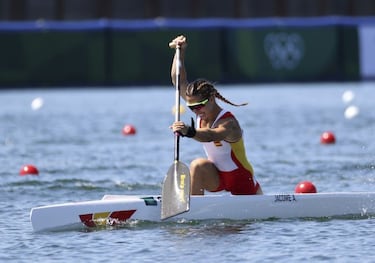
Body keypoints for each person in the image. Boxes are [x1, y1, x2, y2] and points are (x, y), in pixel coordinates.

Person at [169, 35, 263, 196]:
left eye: (199, 106)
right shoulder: (198, 107)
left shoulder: (229, 122)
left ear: (211, 98)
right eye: (191, 107)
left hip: (242, 180)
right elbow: (178, 81)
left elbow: (212, 135)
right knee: (197, 165)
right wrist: (180, 52)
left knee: (239, 223)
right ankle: (194, 210)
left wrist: (189, 131)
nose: (196, 110)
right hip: (217, 176)